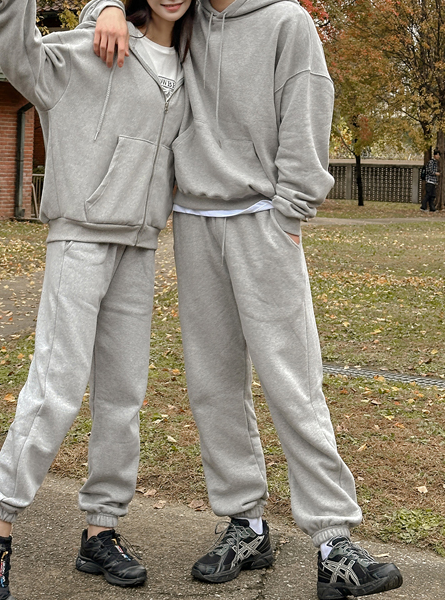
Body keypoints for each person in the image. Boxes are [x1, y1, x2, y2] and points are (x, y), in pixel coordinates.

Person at [90, 1, 403, 598]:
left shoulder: (286, 22)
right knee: (212, 384)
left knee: (292, 380)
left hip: (264, 220)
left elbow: (308, 113)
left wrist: (290, 211)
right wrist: (105, 5)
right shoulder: (181, 16)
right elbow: (103, 23)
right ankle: (246, 525)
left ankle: (334, 541)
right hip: (194, 219)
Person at [0, 0, 193, 597]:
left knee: (123, 396)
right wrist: (103, 8)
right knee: (56, 385)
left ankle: (100, 531)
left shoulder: (193, 60)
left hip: (140, 245)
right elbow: (19, 54)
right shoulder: (92, 45)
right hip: (80, 239)